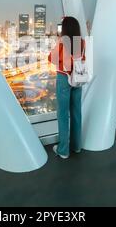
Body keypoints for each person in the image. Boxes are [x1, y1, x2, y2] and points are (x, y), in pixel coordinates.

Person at [48, 16, 85, 159]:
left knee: (63, 115)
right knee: (76, 112)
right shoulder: (81, 42)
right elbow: (82, 59)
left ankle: (63, 150)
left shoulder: (62, 42)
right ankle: (76, 146)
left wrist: (59, 41)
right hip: (78, 79)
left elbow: (51, 59)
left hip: (64, 78)